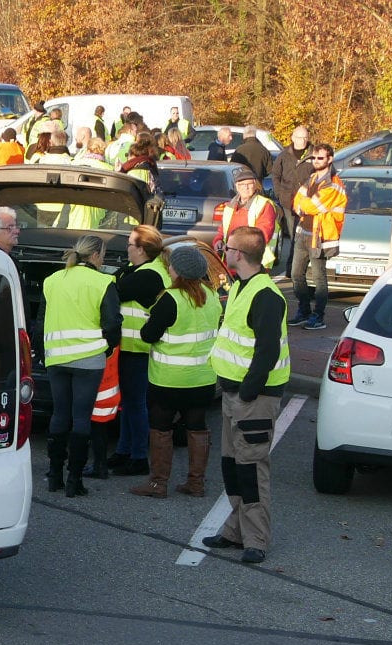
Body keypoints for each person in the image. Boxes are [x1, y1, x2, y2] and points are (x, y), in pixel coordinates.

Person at [201, 227, 290, 564]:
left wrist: (248, 392)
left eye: (226, 246)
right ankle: (234, 531)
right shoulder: (242, 286)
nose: (222, 250)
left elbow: (266, 352)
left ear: (238, 253)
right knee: (232, 466)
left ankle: (256, 539)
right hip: (235, 391)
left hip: (253, 397)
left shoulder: (266, 295)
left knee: (251, 470)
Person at [134, 242, 223, 498]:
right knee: (197, 427)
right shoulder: (212, 296)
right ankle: (196, 483)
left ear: (178, 271)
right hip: (203, 378)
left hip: (169, 379)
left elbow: (149, 335)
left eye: (171, 266)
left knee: (161, 428)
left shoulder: (170, 299)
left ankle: (158, 483)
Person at [39, 235, 122, 497]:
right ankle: (75, 480)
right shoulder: (103, 282)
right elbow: (112, 324)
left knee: (59, 415)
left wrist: (44, 353)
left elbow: (39, 321)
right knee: (82, 417)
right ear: (96, 256)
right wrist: (107, 347)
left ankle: (54, 475)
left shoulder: (52, 280)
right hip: (89, 360)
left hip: (56, 359)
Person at [110, 226, 172, 478]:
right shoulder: (140, 270)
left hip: (139, 349)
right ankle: (124, 451)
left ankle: (137, 457)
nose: (126, 248)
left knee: (135, 404)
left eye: (130, 244)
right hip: (132, 348)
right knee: (129, 403)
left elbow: (115, 289)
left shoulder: (149, 275)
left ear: (142, 249)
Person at [290, 144, 345, 329]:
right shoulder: (312, 177)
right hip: (303, 233)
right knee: (296, 274)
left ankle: (318, 316)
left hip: (319, 236)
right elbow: (297, 201)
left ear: (330, 159)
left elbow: (312, 206)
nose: (315, 161)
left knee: (319, 278)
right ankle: (304, 311)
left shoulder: (334, 184)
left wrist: (303, 204)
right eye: (313, 158)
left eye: (319, 158)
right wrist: (303, 204)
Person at [216, 168, 278, 270]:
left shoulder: (264, 205)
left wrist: (236, 247)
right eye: (242, 184)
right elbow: (223, 231)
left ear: (255, 185)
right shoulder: (229, 206)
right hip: (231, 262)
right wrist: (218, 241)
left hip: (253, 261)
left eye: (249, 184)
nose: (246, 187)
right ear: (236, 186)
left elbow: (262, 235)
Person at [268, 126, 313, 268]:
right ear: (293, 138)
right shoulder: (284, 155)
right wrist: (279, 193)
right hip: (288, 200)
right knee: (294, 234)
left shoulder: (314, 154)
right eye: (299, 137)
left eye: (305, 137)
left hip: (308, 202)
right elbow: (275, 175)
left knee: (304, 235)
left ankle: (300, 267)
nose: (303, 140)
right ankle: (292, 267)